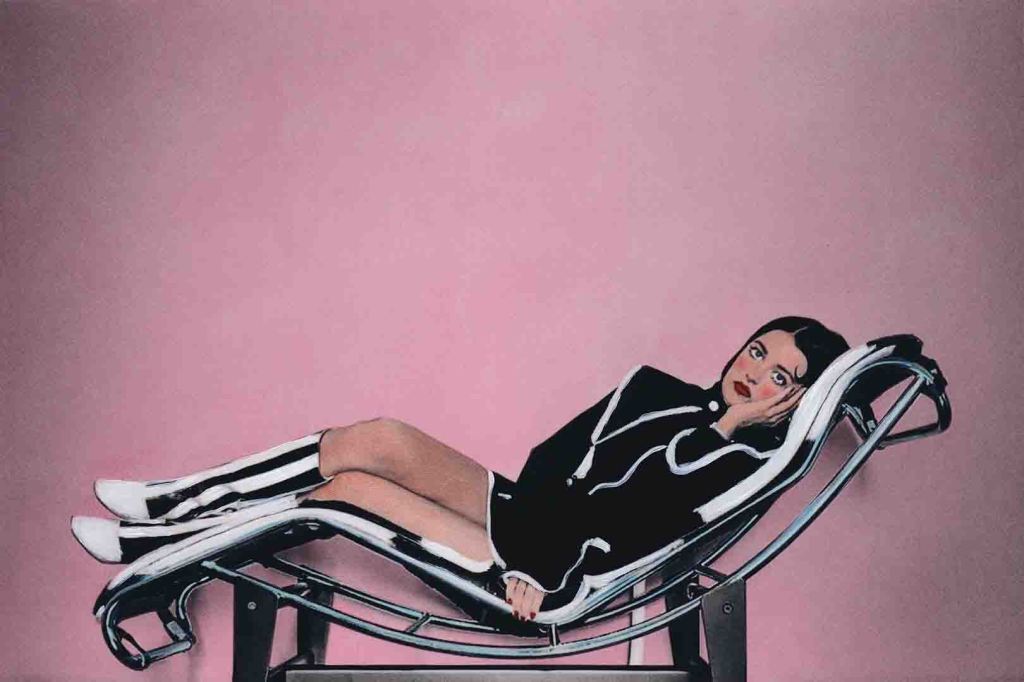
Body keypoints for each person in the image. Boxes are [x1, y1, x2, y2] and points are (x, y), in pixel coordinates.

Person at [71, 316, 848, 624]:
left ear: (794, 400)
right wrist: (534, 523)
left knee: (342, 497)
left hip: (546, 578)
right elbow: (551, 460)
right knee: (379, 438)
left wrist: (729, 425)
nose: (754, 373)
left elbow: (641, 522)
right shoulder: (652, 388)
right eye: (758, 351)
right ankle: (175, 502)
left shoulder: (738, 463)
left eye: (779, 377)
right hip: (524, 515)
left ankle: (152, 549)